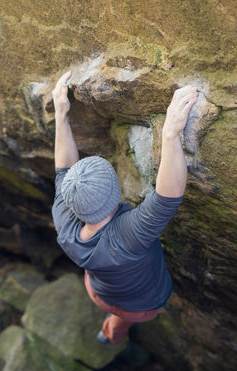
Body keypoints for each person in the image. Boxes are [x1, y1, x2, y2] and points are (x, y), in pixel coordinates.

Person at [51, 70, 199, 345]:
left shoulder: (63, 220)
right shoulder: (128, 235)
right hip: (141, 307)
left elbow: (63, 170)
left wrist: (61, 113)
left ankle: (109, 334)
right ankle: (111, 332)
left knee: (120, 314)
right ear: (115, 192)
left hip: (99, 294)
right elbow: (168, 196)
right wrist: (170, 133)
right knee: (126, 316)